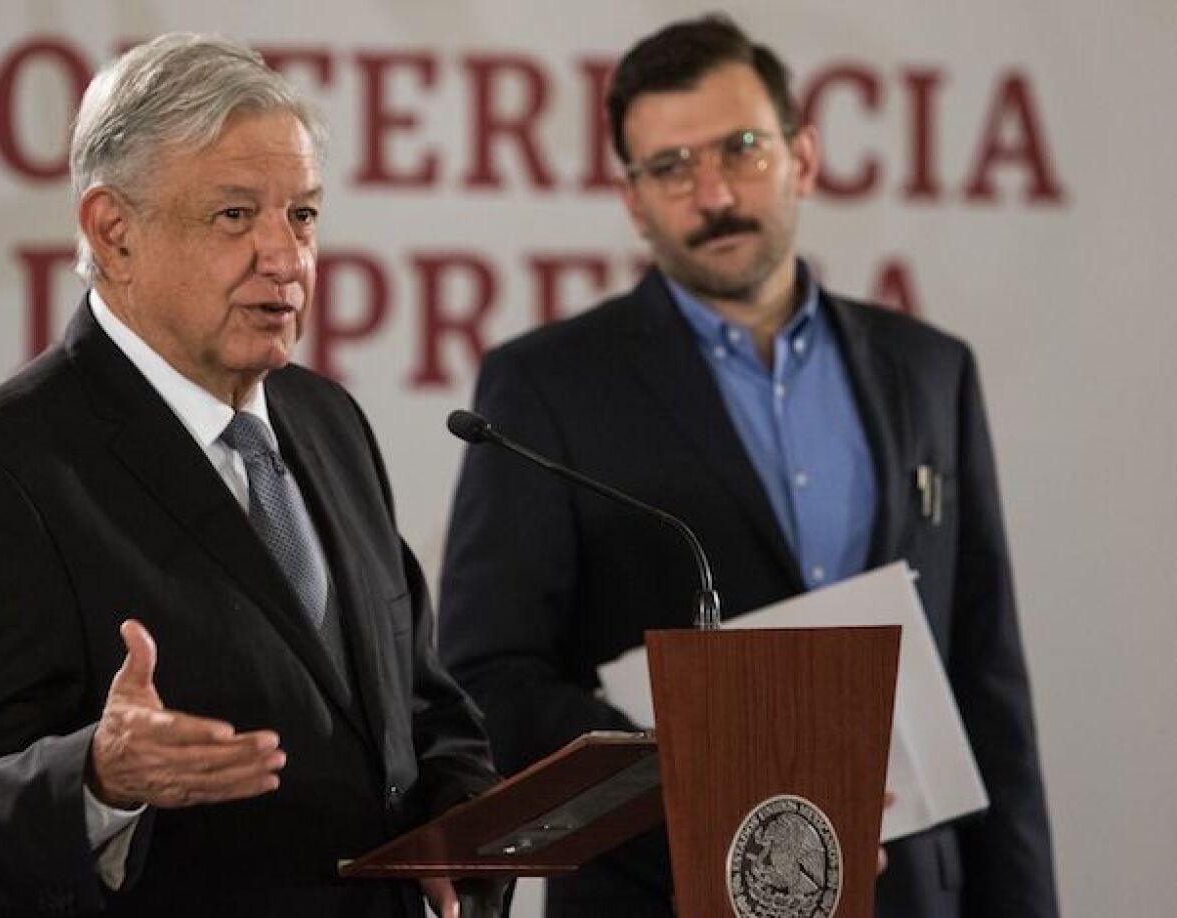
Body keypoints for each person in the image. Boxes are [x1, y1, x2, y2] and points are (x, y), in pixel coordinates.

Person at [438, 15, 1057, 918]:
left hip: (912, 893)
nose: (715, 193)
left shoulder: (931, 371)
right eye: (671, 168)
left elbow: (987, 678)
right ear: (634, 200)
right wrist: (703, 769)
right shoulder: (546, 386)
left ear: (803, 158)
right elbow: (490, 680)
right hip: (667, 888)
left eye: (741, 150)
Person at [0, 33, 502, 917]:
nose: (286, 259)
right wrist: (99, 776)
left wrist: (464, 815)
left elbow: (419, 706)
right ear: (114, 232)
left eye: (305, 216)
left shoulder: (328, 421)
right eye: (236, 216)